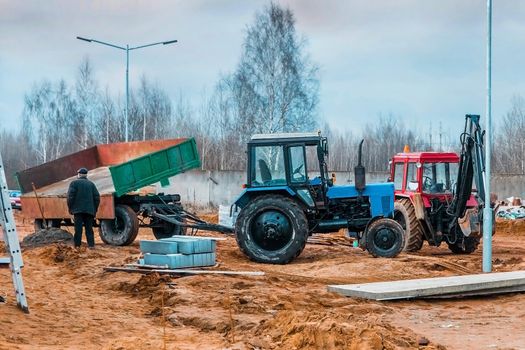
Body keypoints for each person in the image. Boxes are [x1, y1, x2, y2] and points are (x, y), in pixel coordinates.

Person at [67, 168, 100, 249]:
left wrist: (70, 208)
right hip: (89, 211)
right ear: (86, 175)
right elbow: (97, 198)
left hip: (78, 211)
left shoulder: (74, 183)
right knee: (89, 229)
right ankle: (91, 246)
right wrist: (94, 209)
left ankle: (77, 246)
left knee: (78, 229)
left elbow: (70, 197)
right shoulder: (91, 184)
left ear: (78, 175)